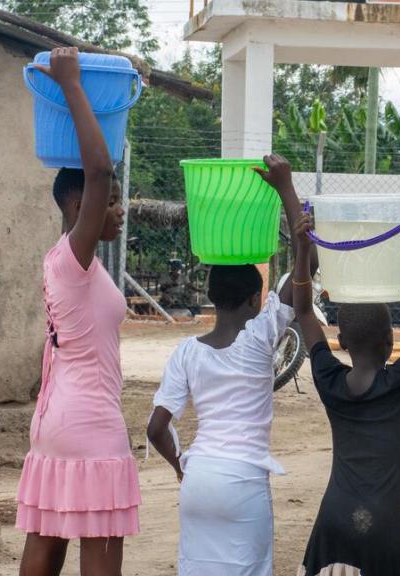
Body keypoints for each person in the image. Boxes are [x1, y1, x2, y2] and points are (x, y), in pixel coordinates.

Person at [146, 154, 317, 576]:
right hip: (242, 482)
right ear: (255, 301)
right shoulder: (261, 337)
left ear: (211, 297)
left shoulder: (187, 351)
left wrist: (182, 466)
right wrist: (285, 189)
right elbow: (306, 270)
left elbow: (155, 429)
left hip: (199, 479)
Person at [15, 47, 137, 576]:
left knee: (46, 548)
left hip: (60, 422)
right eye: (110, 201)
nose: (120, 207)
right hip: (90, 425)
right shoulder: (73, 258)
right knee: (98, 552)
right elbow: (100, 167)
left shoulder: (66, 264)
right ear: (77, 206)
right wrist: (71, 85)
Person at [291, 193, 400, 576]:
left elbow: (301, 310)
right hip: (386, 526)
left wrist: (302, 249)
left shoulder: (330, 380)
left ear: (342, 343)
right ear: (391, 342)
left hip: (334, 518)